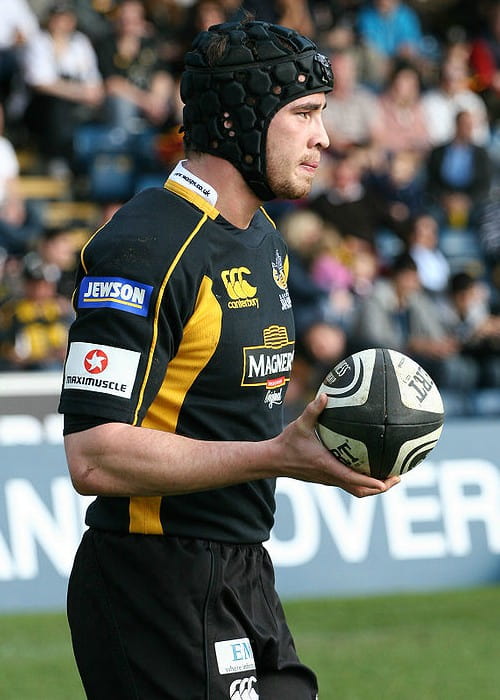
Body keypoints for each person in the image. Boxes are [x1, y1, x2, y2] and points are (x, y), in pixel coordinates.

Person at [58, 19, 400, 699]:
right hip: (152, 586)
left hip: (243, 572)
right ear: (242, 116)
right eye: (304, 113)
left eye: (322, 115)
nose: (324, 137)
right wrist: (278, 455)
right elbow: (93, 456)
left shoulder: (263, 237)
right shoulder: (146, 247)